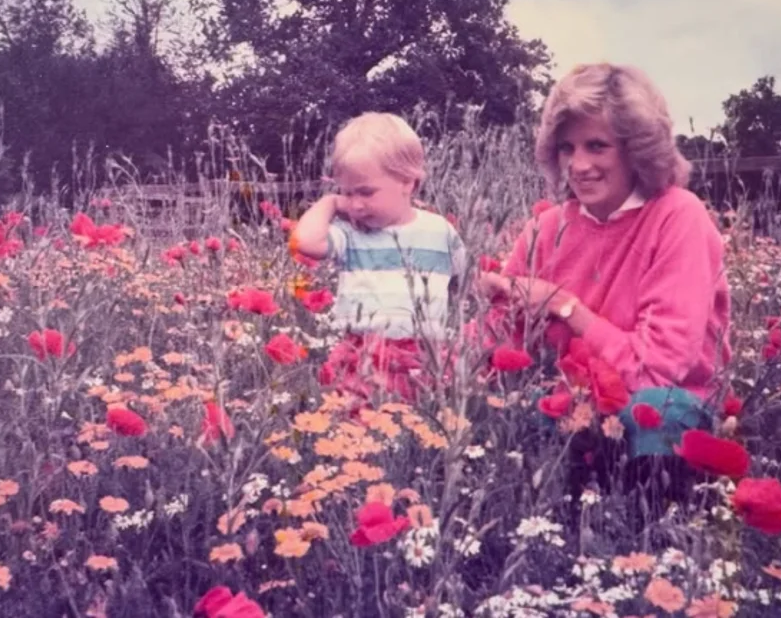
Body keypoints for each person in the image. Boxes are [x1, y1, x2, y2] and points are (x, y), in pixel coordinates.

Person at [479, 62, 732, 512]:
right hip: (572, 405)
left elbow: (659, 370)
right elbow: (501, 342)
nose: (579, 165)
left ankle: (656, 539)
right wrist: (420, 362)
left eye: (597, 146)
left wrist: (563, 306)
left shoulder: (678, 217)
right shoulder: (546, 227)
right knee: (495, 419)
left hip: (659, 409)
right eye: (566, 148)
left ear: (637, 149)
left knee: (652, 411)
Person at [291, 112, 467, 400]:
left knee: (416, 430)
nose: (356, 205)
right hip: (361, 356)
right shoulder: (350, 235)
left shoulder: (440, 232)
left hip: (422, 358)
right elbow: (305, 242)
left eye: (366, 192)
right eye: (347, 193)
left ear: (407, 182)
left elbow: (464, 285)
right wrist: (330, 202)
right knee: (359, 432)